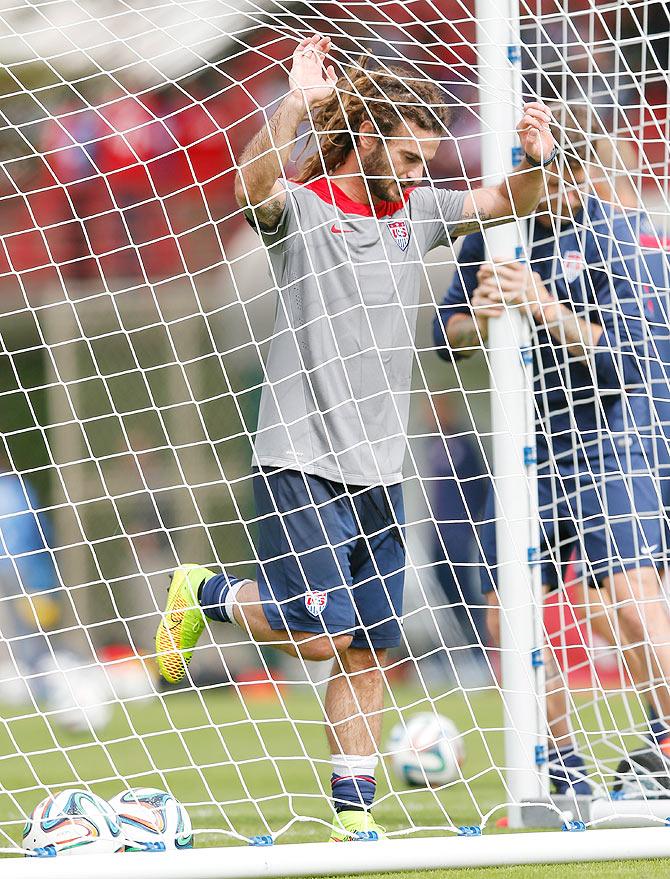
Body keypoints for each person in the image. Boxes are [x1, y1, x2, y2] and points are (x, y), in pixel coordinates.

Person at [155, 33, 557, 840]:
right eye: (407, 158)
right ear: (367, 137)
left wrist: (537, 159)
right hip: (301, 457)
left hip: (380, 468)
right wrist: (296, 103)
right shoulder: (301, 212)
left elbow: (508, 201)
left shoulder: (418, 211)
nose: (418, 176)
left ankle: (353, 816)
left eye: (425, 163)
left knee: (370, 649)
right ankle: (206, 592)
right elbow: (252, 184)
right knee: (318, 635)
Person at [433, 102, 670, 797]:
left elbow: (626, 360)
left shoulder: (623, 234)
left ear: (588, 169)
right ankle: (561, 768)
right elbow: (444, 337)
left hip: (612, 442)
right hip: (522, 448)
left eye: (569, 169)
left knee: (631, 602)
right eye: (542, 169)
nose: (558, 183)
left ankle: (665, 744)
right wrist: (476, 317)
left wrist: (544, 308)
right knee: (510, 609)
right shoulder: (493, 236)